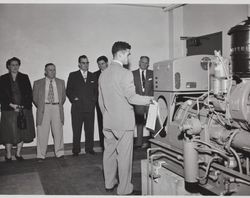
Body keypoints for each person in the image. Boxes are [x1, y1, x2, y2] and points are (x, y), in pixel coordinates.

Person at [98, 41, 153, 195]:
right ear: (120, 53)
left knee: (109, 153)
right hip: (123, 123)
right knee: (124, 157)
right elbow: (132, 98)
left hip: (108, 121)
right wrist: (150, 99)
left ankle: (109, 183)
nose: (129, 57)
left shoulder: (104, 74)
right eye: (128, 54)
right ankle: (124, 189)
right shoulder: (125, 73)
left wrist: (107, 116)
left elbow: (101, 101)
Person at [0, 57, 35, 162]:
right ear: (8, 66)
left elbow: (29, 93)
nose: (15, 67)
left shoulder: (24, 77)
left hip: (23, 110)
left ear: (19, 66)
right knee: (9, 133)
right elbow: (1, 95)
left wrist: (22, 106)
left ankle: (18, 154)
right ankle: (9, 155)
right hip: (8, 110)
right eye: (12, 65)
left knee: (22, 132)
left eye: (16, 65)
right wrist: (11, 105)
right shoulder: (2, 78)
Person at [33, 63, 66, 160]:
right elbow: (35, 98)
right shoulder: (38, 83)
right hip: (44, 108)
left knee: (58, 131)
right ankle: (41, 155)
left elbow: (63, 98)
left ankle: (59, 153)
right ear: (45, 71)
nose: (53, 71)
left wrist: (56, 104)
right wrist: (42, 106)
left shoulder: (61, 82)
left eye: (54, 69)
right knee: (42, 132)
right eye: (50, 70)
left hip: (56, 108)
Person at [66, 55, 98, 156]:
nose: (85, 65)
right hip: (77, 108)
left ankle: (89, 149)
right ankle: (76, 150)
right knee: (76, 130)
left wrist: (93, 101)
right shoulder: (73, 75)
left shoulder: (93, 76)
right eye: (83, 63)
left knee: (90, 130)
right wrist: (74, 99)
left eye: (87, 63)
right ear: (79, 64)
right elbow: (68, 90)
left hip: (89, 108)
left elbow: (96, 91)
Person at [132, 56, 153, 149]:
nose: (144, 64)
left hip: (150, 102)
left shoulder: (152, 73)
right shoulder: (133, 74)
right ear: (139, 62)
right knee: (139, 123)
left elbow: (155, 87)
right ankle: (139, 143)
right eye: (143, 62)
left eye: (146, 63)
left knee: (151, 123)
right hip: (138, 102)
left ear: (148, 64)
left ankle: (152, 142)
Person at [93, 56, 109, 151]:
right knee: (102, 124)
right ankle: (104, 146)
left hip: (112, 103)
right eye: (99, 64)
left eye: (102, 63)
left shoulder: (113, 72)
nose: (101, 66)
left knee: (113, 124)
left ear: (107, 63)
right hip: (100, 103)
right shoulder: (95, 75)